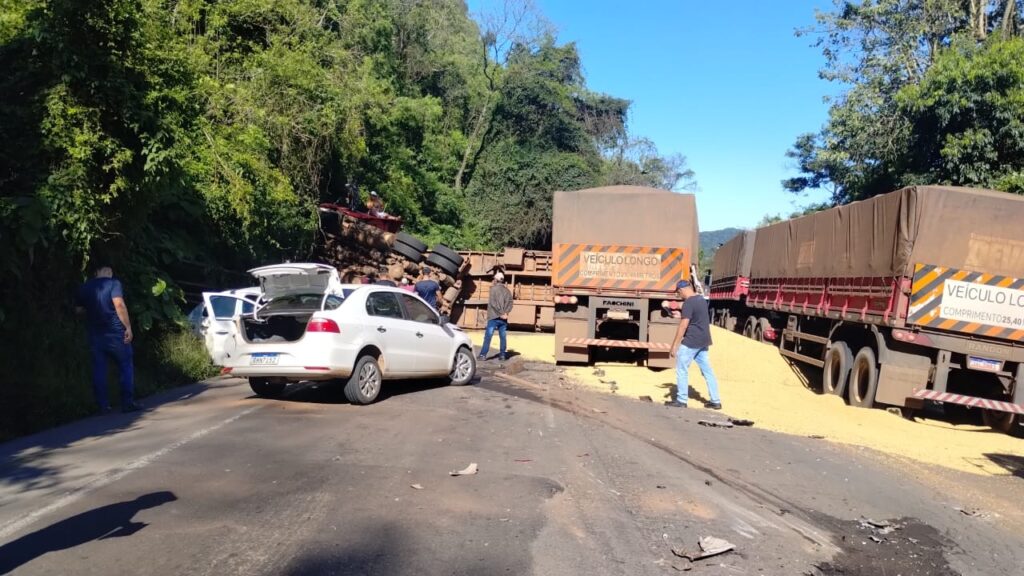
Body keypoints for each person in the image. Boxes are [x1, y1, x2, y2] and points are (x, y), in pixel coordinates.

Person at [75, 264, 142, 413]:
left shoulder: (84, 287)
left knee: (99, 369)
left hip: (95, 334)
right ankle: (127, 402)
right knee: (125, 365)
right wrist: (128, 327)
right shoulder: (113, 283)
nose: (111, 273)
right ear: (101, 271)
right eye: (109, 270)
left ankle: (103, 405)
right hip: (115, 332)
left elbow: (79, 310)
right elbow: (119, 304)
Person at [665, 280, 721, 410]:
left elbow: (684, 325)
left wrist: (674, 346)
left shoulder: (689, 303)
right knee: (708, 372)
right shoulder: (701, 300)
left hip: (691, 341)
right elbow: (696, 318)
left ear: (683, 289)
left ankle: (681, 400)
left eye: (679, 293)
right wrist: (681, 315)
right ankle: (715, 400)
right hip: (703, 341)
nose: (679, 295)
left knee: (682, 369)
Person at [478, 271, 513, 361]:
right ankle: (502, 355)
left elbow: (493, 304)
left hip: (493, 317)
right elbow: (510, 303)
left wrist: (500, 313)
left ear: (496, 280)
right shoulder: (507, 291)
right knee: (503, 336)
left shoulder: (493, 289)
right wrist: (505, 313)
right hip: (503, 318)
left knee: (488, 336)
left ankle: (483, 355)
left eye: (494, 279)